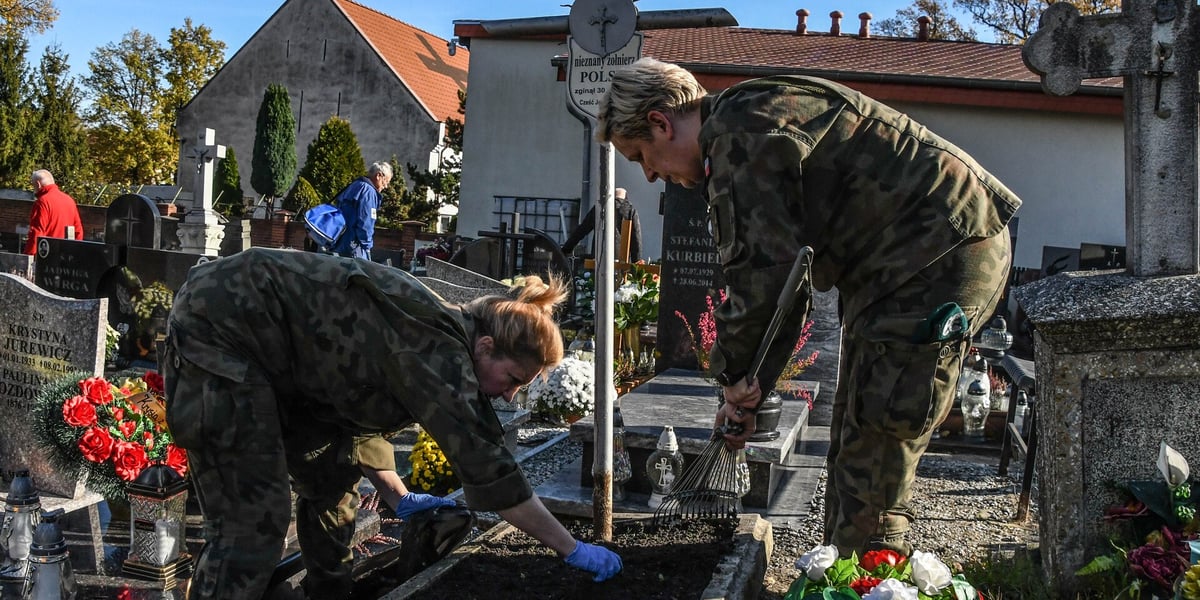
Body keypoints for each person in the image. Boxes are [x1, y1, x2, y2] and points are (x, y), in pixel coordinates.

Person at [596, 58, 1019, 559]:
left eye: (640, 154)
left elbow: (763, 279)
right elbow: (784, 276)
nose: (648, 174)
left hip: (939, 254)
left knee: (879, 443)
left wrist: (736, 380)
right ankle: (836, 574)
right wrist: (750, 384)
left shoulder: (738, 135)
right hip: (905, 261)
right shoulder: (741, 119)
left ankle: (872, 584)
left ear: (661, 123)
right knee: (854, 427)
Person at [161, 248, 621, 599]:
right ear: (485, 347)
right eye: (513, 379)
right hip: (222, 328)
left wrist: (396, 494)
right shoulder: (437, 352)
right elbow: (491, 470)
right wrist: (571, 548)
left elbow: (356, 406)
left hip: (283, 357)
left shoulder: (441, 334)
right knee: (253, 521)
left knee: (331, 482)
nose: (509, 394)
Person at [561, 187, 643, 262]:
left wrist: (566, 249)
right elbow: (636, 239)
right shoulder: (631, 211)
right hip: (621, 260)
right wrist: (636, 264)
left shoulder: (599, 208)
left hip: (599, 257)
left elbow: (581, 230)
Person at [330, 161, 392, 260]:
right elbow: (365, 222)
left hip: (340, 242)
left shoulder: (355, 185)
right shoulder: (369, 191)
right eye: (386, 181)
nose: (386, 186)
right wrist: (367, 246)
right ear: (379, 176)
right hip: (355, 245)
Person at [23, 169, 83, 255]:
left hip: (47, 256)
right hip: (66, 255)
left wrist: (28, 255)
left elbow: (37, 232)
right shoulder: (69, 200)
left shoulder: (42, 202)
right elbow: (78, 231)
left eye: (33, 185)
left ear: (38, 184)